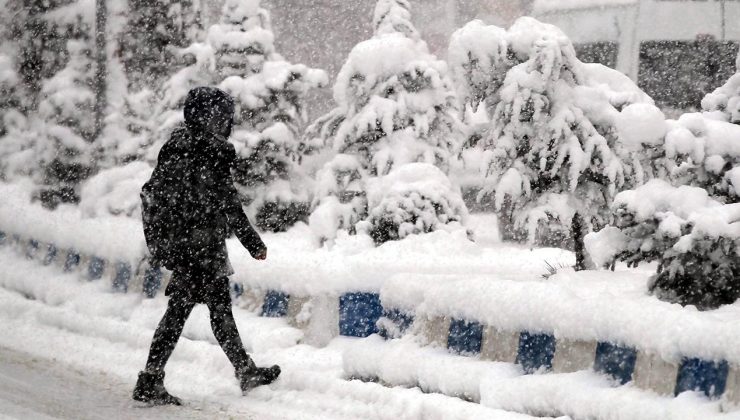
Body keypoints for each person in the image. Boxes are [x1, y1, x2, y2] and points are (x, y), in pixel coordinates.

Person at [133, 87, 281, 406]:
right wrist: (253, 243)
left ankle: (241, 371)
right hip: (198, 248)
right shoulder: (206, 150)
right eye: (220, 116)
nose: (225, 122)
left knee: (208, 308)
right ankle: (151, 379)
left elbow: (173, 195)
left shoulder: (178, 146)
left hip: (188, 245)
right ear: (206, 117)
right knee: (195, 311)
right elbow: (226, 202)